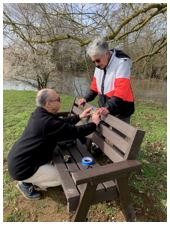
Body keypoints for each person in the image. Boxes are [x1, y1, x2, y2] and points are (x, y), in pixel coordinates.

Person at [7, 88, 100, 200]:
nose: (60, 101)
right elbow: (75, 132)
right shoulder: (47, 122)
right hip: (23, 168)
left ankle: (32, 178)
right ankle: (25, 183)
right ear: (48, 103)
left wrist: (79, 117)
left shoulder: (40, 113)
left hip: (21, 160)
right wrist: (94, 123)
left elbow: (60, 123)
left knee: (62, 176)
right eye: (58, 99)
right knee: (65, 179)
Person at [79, 37, 135, 123]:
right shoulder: (100, 65)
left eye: (97, 60)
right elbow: (94, 88)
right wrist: (86, 98)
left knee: (116, 136)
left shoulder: (121, 62)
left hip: (121, 111)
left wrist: (108, 107)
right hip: (106, 109)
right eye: (94, 62)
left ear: (106, 54)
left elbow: (121, 91)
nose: (96, 65)